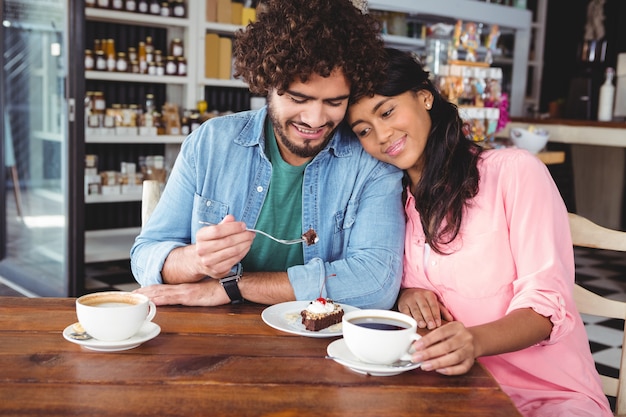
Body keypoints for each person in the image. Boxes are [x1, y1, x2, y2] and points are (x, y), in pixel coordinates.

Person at [346, 48, 612, 417]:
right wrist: (407, 292)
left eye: (387, 112)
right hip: (452, 396)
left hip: (547, 398)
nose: (381, 135)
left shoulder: (514, 173)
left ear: (424, 96)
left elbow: (547, 307)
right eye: (363, 130)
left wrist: (473, 341)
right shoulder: (392, 203)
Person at [129, 0, 405, 309]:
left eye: (334, 102)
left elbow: (376, 283)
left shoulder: (371, 163)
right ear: (267, 81)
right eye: (299, 98)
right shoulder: (210, 143)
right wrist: (196, 261)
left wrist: (234, 287)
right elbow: (145, 256)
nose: (315, 120)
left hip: (319, 343)